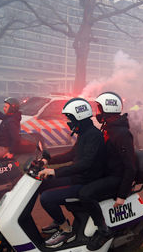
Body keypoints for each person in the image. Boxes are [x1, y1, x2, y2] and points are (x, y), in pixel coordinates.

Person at [38, 98, 106, 248]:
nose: (69, 121)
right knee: (42, 185)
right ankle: (59, 221)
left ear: (79, 118)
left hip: (86, 181)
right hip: (78, 177)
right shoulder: (84, 133)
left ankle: (66, 230)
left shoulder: (94, 136)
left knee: (47, 198)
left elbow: (85, 164)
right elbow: (71, 154)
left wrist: (55, 172)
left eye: (70, 118)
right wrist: (48, 161)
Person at [78, 92, 136, 250]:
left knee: (85, 193)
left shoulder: (121, 133)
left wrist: (122, 195)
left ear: (108, 109)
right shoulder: (110, 127)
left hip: (117, 177)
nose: (98, 112)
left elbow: (130, 166)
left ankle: (104, 230)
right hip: (108, 173)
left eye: (99, 108)